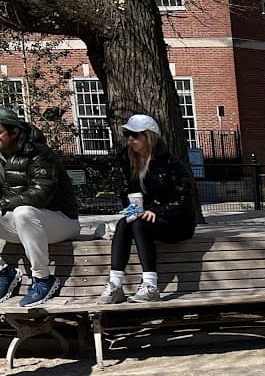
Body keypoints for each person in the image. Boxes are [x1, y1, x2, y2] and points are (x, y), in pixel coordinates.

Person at [98, 114, 196, 303]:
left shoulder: (169, 163)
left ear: (148, 136)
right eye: (128, 135)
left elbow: (183, 199)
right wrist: (130, 209)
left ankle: (150, 285)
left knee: (138, 223)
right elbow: (126, 192)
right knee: (125, 223)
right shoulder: (127, 160)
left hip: (176, 222)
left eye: (135, 135)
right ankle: (115, 284)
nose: (130, 139)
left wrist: (157, 211)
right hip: (145, 217)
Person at [0, 106, 84, 307]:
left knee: (23, 213)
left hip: (61, 221)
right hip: (25, 225)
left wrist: (5, 203)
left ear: (15, 132)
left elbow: (40, 195)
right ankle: (5, 272)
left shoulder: (40, 154)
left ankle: (43, 279)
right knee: (21, 214)